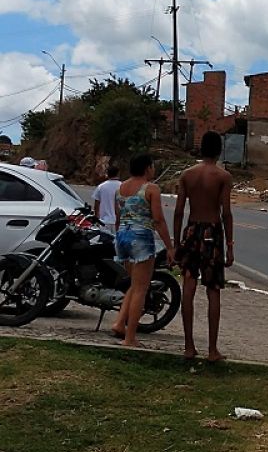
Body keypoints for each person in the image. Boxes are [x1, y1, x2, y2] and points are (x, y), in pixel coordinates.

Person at [173, 131, 234, 362]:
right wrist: (229, 244)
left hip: (191, 231)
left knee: (188, 287)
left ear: (201, 149)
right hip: (212, 232)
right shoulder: (223, 176)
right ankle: (212, 349)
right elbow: (226, 213)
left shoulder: (187, 175)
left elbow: (179, 211)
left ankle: (189, 346)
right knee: (213, 290)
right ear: (218, 150)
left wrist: (177, 242)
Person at [111, 154, 175, 348]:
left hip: (123, 236)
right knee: (141, 288)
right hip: (141, 238)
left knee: (133, 284)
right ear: (147, 168)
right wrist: (170, 246)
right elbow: (158, 220)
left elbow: (118, 216)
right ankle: (130, 338)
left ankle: (120, 323)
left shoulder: (120, 189)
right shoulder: (151, 189)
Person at [92, 165, 121, 235]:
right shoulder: (122, 186)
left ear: (107, 174)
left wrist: (97, 219)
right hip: (119, 222)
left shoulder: (101, 187)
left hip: (104, 222)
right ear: (118, 174)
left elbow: (96, 205)